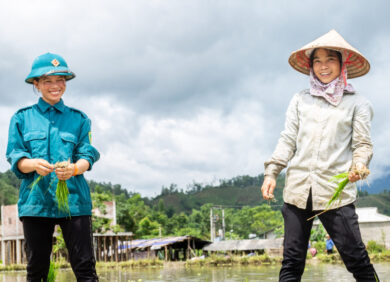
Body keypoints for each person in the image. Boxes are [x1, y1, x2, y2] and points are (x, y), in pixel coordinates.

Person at [260, 30, 379, 281]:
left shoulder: (358, 103)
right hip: (297, 192)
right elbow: (288, 139)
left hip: (335, 196)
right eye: (317, 61)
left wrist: (359, 166)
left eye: (330, 59)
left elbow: (362, 144)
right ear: (311, 66)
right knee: (291, 262)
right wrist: (272, 172)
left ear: (341, 62)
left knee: (357, 260)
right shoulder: (300, 100)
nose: (323, 66)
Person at [6, 53, 100, 281]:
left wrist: (74, 169)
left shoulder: (79, 119)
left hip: (74, 201)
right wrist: (32, 164)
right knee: (36, 268)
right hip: (36, 202)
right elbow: (15, 156)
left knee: (85, 267)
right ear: (36, 84)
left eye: (61, 80)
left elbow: (87, 154)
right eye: (47, 81)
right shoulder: (22, 118)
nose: (55, 86)